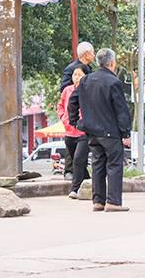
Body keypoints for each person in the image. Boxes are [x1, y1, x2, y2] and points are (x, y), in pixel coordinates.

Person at [68, 48, 132, 212]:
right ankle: (113, 202)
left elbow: (72, 102)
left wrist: (76, 122)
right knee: (114, 165)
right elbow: (121, 110)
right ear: (112, 63)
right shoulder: (113, 82)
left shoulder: (85, 80)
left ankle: (98, 201)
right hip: (110, 132)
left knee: (97, 165)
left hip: (92, 132)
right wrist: (125, 133)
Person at [58, 68, 89, 199]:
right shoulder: (67, 90)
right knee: (79, 162)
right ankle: (89, 182)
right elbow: (60, 106)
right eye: (74, 75)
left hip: (83, 132)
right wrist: (64, 118)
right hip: (69, 131)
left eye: (79, 74)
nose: (76, 77)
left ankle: (75, 189)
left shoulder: (89, 90)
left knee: (77, 160)